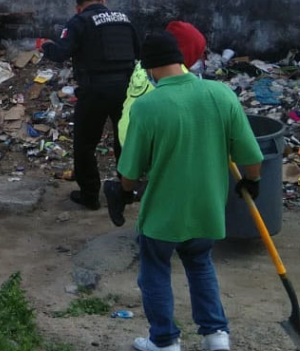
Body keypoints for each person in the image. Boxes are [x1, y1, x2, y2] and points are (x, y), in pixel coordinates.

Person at [105, 32, 263, 351]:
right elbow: (251, 156)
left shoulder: (147, 106)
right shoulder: (221, 94)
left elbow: (130, 172)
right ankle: (215, 335)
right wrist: (252, 182)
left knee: (155, 273)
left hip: (163, 216)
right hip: (207, 211)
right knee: (200, 264)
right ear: (180, 60)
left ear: (149, 68)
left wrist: (122, 194)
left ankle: (164, 341)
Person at [42, 0, 139, 210]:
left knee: (85, 145)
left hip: (94, 91)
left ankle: (90, 196)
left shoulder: (79, 21)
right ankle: (126, 192)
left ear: (78, 7)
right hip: (125, 90)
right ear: (104, 1)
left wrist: (46, 46)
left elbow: (60, 53)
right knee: (124, 140)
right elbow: (138, 51)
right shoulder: (124, 20)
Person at [117, 20, 207, 145]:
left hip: (127, 133)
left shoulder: (145, 65)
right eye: (197, 54)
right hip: (150, 143)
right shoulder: (180, 79)